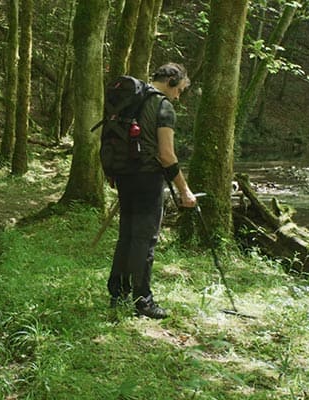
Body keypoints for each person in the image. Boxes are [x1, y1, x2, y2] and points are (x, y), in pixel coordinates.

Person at [108, 63, 196, 319]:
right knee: (145, 240)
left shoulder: (133, 99)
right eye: (178, 90)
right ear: (170, 81)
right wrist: (185, 190)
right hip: (147, 179)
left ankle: (118, 294)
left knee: (126, 235)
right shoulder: (162, 106)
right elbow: (167, 155)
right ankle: (143, 301)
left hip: (124, 175)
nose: (178, 96)